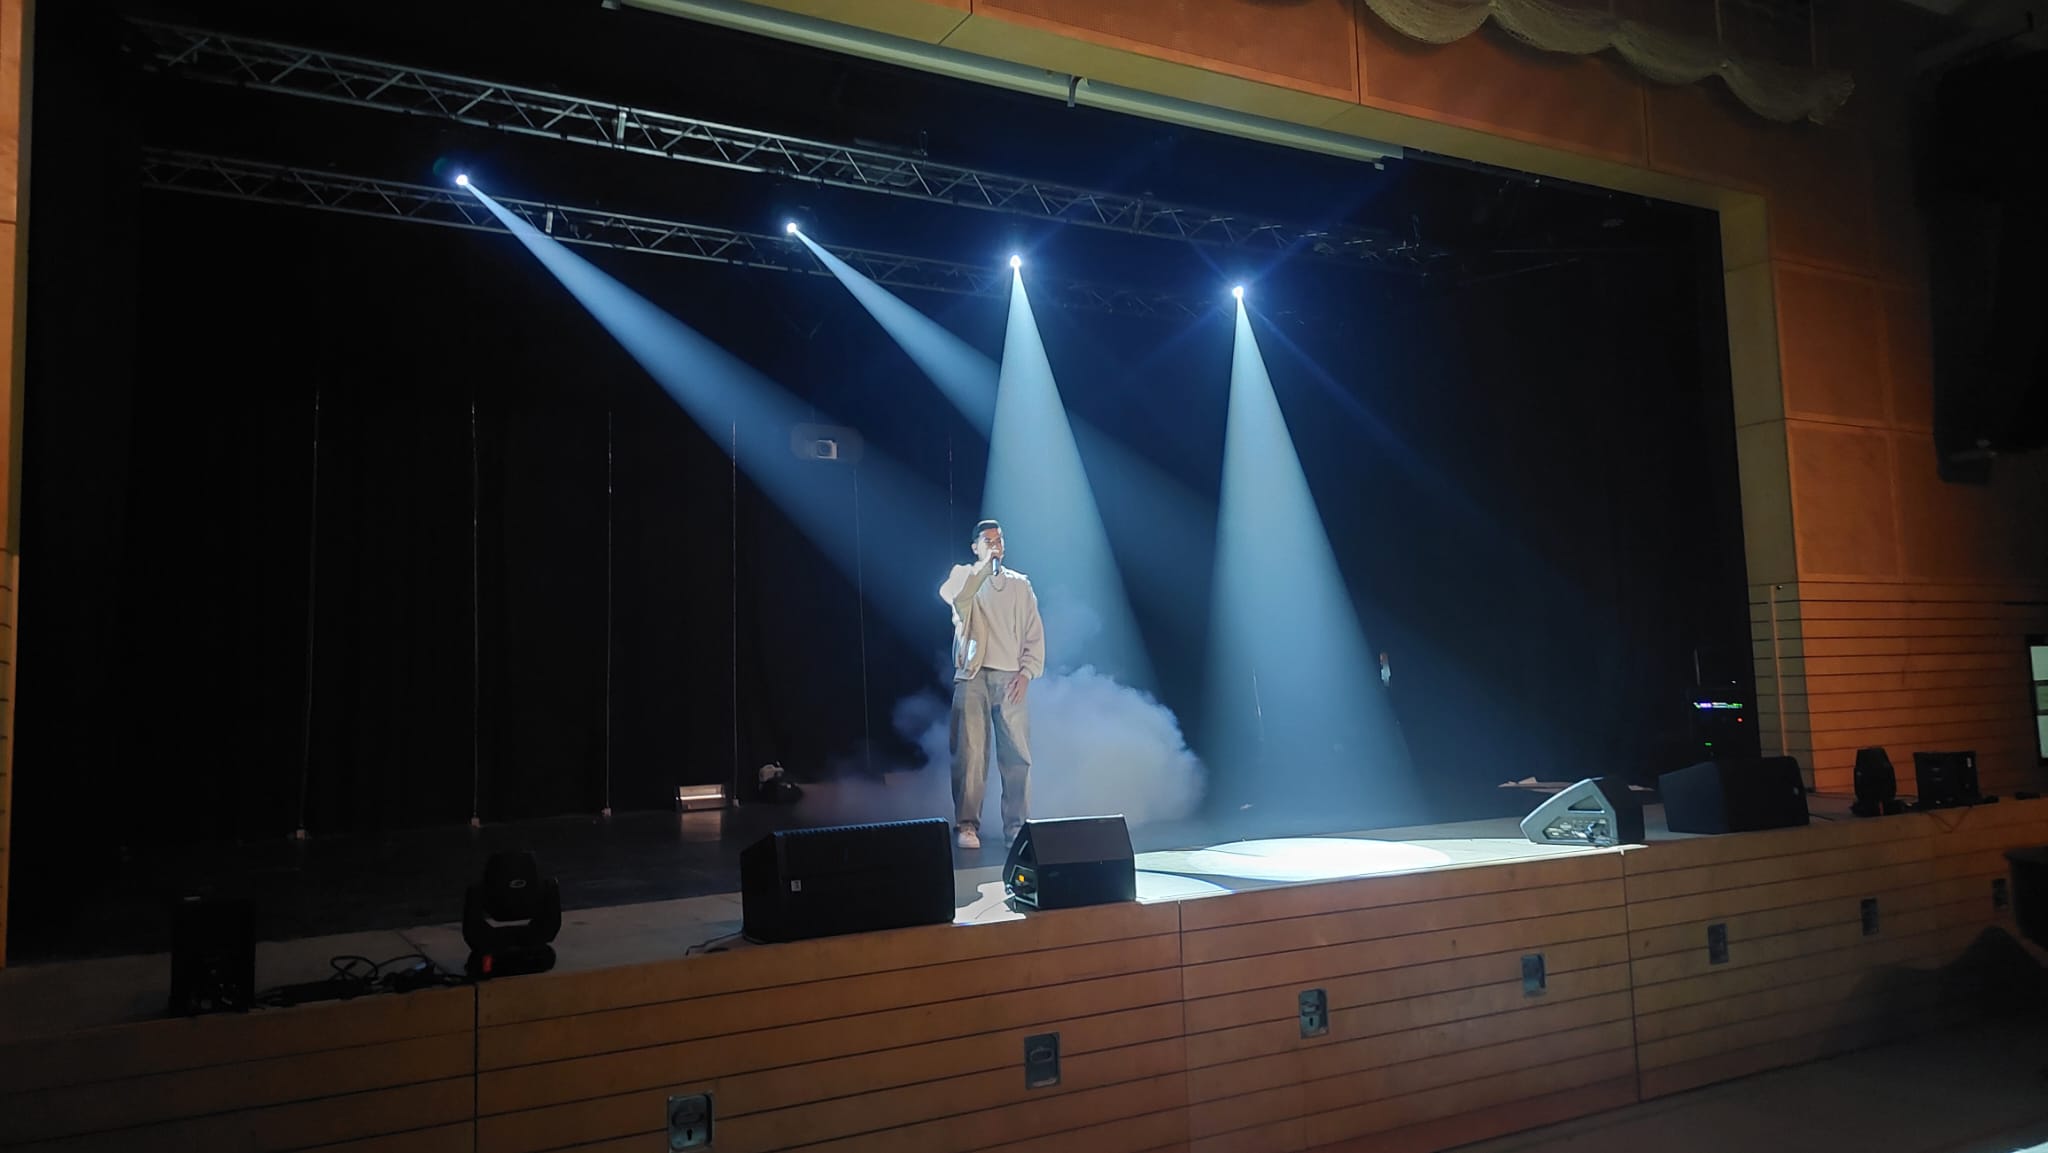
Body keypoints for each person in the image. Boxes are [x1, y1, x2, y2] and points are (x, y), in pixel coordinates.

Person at [938, 519, 1045, 850]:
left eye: (999, 540)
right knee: (970, 755)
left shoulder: (1020, 585)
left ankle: (1017, 827)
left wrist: (1026, 672)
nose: (996, 545)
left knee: (1017, 757)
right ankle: (967, 825)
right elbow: (959, 600)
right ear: (975, 547)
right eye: (988, 540)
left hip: (1010, 677)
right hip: (973, 677)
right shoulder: (963, 576)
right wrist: (984, 568)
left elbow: (1034, 631)